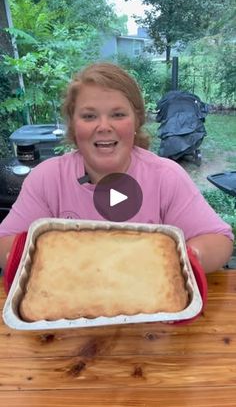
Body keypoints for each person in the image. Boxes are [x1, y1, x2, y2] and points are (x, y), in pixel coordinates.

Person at [0, 62, 233, 273]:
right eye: (89, 116)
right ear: (73, 126)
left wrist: (183, 258)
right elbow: (5, 244)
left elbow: (218, 240)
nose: (104, 126)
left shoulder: (165, 177)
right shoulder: (47, 178)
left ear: (136, 120)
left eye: (118, 114)